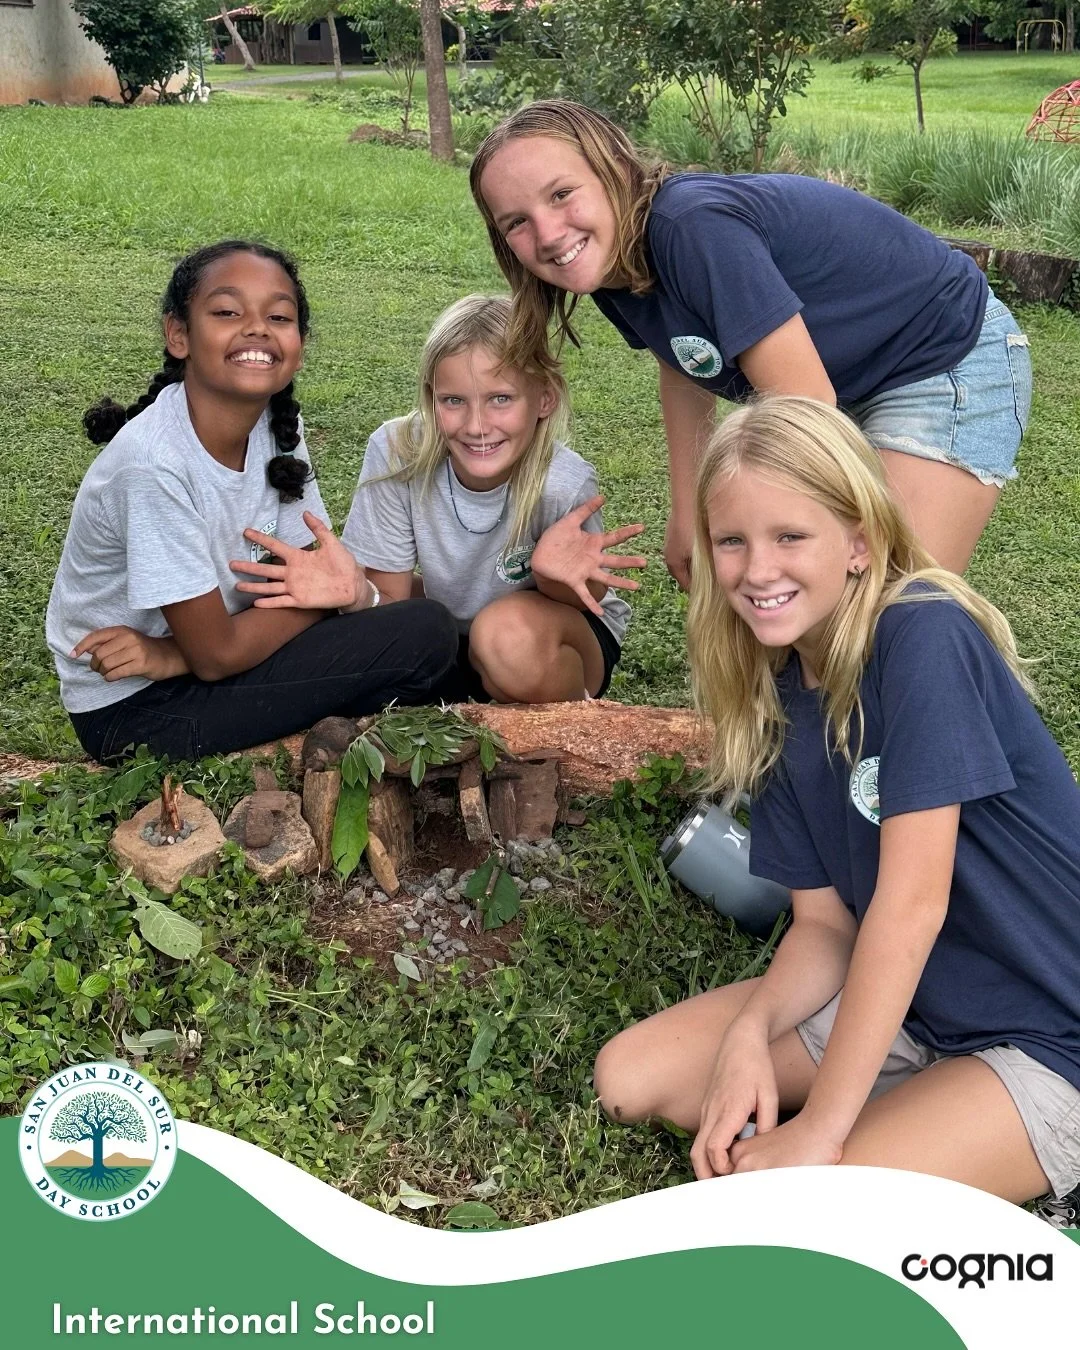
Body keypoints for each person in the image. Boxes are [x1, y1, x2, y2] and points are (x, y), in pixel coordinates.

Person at [593, 396, 1080, 1216]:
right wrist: (751, 1032)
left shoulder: (922, 635)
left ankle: (970, 1135)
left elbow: (911, 905)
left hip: (1049, 1031)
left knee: (789, 1211)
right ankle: (920, 1114)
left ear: (860, 541)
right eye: (732, 540)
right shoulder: (775, 691)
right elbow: (826, 926)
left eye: (791, 535)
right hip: (917, 1007)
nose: (757, 569)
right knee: (634, 1080)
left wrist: (821, 1128)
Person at [470, 100, 1034, 582]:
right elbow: (683, 363)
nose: (548, 233)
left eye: (562, 193)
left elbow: (806, 412)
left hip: (940, 357)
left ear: (614, 169)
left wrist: (750, 529)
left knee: (890, 593)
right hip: (850, 377)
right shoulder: (609, 265)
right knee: (812, 585)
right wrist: (690, 514)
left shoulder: (692, 229)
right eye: (516, 222)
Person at [46, 240, 458, 764]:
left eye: (279, 316)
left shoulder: (276, 427)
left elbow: (307, 570)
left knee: (420, 612)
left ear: (299, 345)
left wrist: (325, 592)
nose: (257, 327)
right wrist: (328, 597)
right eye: (226, 311)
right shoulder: (153, 466)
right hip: (137, 709)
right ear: (179, 335)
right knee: (425, 632)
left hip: (214, 654)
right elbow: (219, 653)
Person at [231, 293, 644, 704]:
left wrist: (551, 575)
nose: (477, 426)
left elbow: (584, 597)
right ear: (431, 398)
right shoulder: (398, 452)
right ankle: (470, 700)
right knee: (392, 633)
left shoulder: (563, 482)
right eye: (454, 401)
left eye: (501, 398)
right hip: (448, 627)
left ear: (545, 398)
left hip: (559, 636)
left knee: (505, 639)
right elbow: (388, 604)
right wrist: (358, 593)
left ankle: (573, 725)